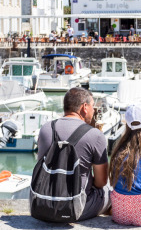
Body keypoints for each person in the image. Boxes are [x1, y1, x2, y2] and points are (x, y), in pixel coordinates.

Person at [37, 87, 111, 221]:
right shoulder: (95, 135)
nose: (94, 111)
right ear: (85, 107)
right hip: (75, 209)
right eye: (93, 106)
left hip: (43, 205)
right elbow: (101, 182)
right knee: (110, 188)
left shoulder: (46, 129)